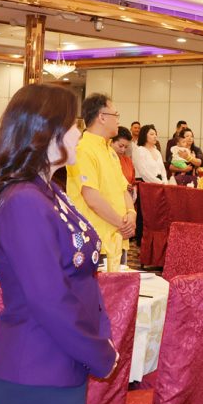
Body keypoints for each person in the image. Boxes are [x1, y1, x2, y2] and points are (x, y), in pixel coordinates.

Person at [0, 83, 117, 404]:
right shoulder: (25, 200)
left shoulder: (48, 190)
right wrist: (97, 349)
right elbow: (49, 297)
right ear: (46, 132)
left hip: (58, 362)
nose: (78, 134)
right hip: (36, 368)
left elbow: (78, 276)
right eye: (72, 125)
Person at [66, 94, 136, 272]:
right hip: (95, 240)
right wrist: (123, 224)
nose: (118, 120)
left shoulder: (110, 151)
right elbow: (92, 198)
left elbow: (123, 189)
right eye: (116, 115)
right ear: (102, 117)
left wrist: (131, 213)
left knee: (121, 289)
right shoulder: (83, 150)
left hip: (118, 238)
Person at [111, 126, 136, 197]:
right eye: (120, 146)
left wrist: (132, 188)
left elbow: (133, 182)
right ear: (111, 142)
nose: (123, 150)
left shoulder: (128, 161)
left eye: (126, 147)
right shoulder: (104, 159)